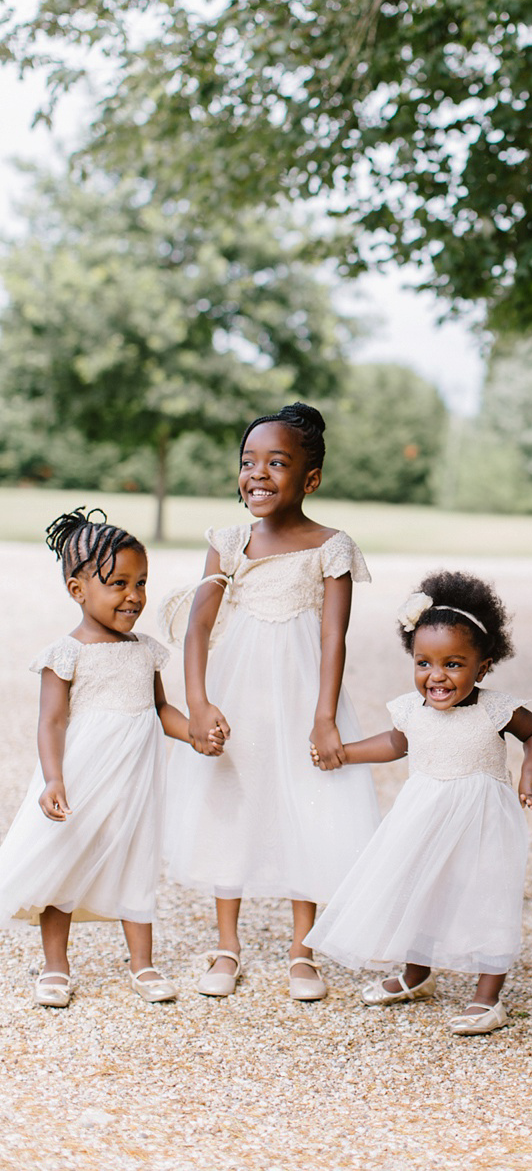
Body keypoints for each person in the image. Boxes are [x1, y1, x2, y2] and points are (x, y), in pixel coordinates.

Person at [161, 402, 380, 1001]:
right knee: (228, 800)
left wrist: (324, 716)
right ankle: (226, 944)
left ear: (309, 479)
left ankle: (301, 950)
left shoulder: (332, 547)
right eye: (248, 461)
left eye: (276, 462)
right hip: (236, 695)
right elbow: (199, 628)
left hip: (300, 698)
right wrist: (199, 704)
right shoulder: (228, 543)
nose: (257, 473)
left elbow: (334, 635)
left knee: (302, 802)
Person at [306, 571, 532, 1035]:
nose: (436, 676)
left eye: (453, 664)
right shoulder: (410, 710)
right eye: (424, 663)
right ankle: (416, 975)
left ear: (483, 666)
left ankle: (487, 996)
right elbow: (395, 744)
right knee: (419, 889)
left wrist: (530, 773)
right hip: (423, 816)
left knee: (486, 898)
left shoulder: (495, 708)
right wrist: (345, 754)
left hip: (482, 821)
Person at [0, 508, 201, 1007]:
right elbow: (51, 721)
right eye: (118, 583)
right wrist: (53, 779)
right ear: (78, 590)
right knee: (63, 858)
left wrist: (194, 733)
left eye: (141, 582)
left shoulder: (145, 650)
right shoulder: (64, 653)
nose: (134, 596)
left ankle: (143, 964)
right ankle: (55, 966)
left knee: (136, 856)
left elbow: (159, 710)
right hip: (81, 774)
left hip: (133, 780)